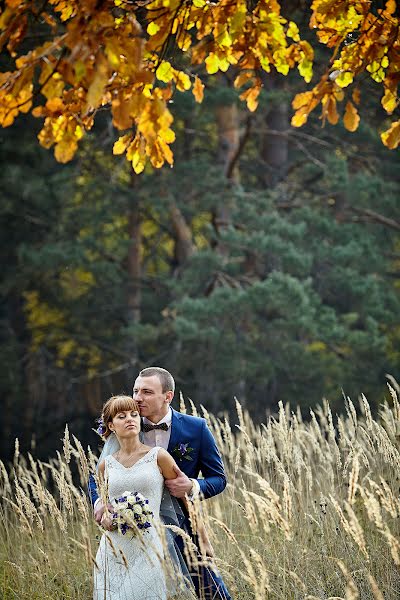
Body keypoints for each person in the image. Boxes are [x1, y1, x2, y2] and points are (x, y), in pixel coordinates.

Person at [89, 366, 231, 600]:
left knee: (211, 591)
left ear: (167, 396)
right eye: (136, 390)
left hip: (183, 524)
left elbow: (219, 479)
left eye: (146, 392)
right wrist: (100, 505)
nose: (137, 398)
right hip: (130, 530)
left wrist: (192, 486)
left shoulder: (196, 428)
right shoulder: (126, 425)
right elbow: (97, 479)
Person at [93, 394, 195, 600]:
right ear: (111, 425)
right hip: (113, 545)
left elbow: (183, 495)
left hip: (149, 543)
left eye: (134, 414)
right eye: (121, 416)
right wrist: (105, 516)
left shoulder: (159, 456)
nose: (130, 419)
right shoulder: (106, 465)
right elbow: (104, 502)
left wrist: (200, 534)